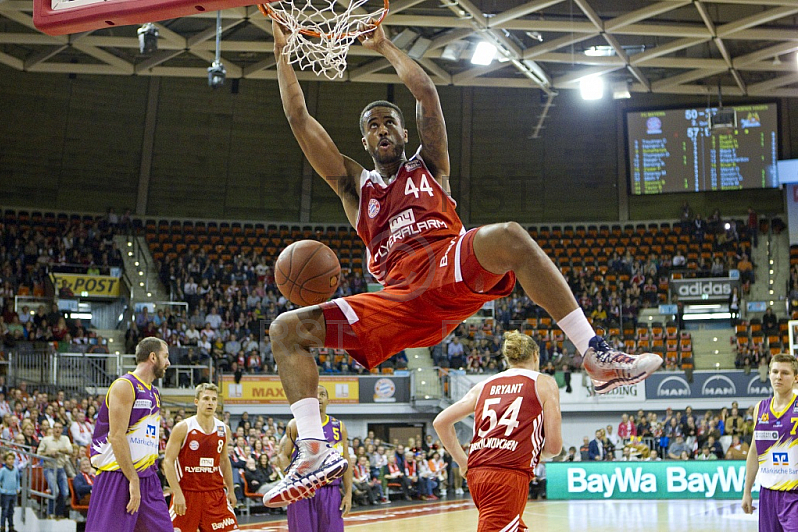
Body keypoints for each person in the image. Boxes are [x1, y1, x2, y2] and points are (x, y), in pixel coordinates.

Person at [264, 17, 660, 506]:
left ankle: (594, 353)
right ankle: (312, 451)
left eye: (389, 122)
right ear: (364, 142)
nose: (382, 129)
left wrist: (385, 47)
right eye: (372, 126)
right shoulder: (354, 186)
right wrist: (283, 50)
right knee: (285, 329)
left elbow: (428, 94)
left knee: (510, 236)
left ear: (404, 133)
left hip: (449, 262)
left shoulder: (429, 166)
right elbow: (299, 120)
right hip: (400, 299)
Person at [433, 331, 561, 532]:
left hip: (478, 473)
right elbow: (554, 447)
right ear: (536, 355)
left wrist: (463, 462)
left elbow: (440, 422)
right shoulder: (543, 382)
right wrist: (533, 451)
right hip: (507, 475)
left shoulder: (484, 385)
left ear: (508, 358)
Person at [85, 337, 173, 532]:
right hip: (118, 475)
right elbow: (116, 436)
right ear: (152, 357)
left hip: (148, 477)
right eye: (165, 356)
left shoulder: (154, 393)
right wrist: (133, 479)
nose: (168, 362)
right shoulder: (125, 385)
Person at [162, 383, 239, 532]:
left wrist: (231, 489)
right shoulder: (183, 428)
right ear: (196, 401)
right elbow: (168, 461)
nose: (210, 402)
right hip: (187, 494)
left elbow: (224, 460)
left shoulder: (223, 429)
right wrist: (176, 492)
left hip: (214, 494)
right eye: (206, 398)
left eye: (214, 399)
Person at [277, 386, 352, 532]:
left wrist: (348, 494)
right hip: (303, 493)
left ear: (328, 400)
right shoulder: (296, 424)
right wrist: (295, 483)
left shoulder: (339, 427)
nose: (318, 397)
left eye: (322, 394)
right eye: (314, 394)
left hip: (331, 492)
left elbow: (346, 461)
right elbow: (281, 456)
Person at [742, 353, 798, 529]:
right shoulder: (760, 408)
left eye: (785, 373)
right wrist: (747, 492)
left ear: (796, 378)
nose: (778, 376)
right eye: (774, 371)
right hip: (767, 493)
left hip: (794, 493)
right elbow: (754, 451)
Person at [37, 421, 72, 519]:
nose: (57, 429)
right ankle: (50, 513)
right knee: (54, 491)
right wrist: (48, 453)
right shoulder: (46, 440)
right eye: (55, 427)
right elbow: (39, 454)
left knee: (65, 492)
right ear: (52, 429)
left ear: (62, 430)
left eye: (60, 428)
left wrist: (58, 451)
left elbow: (70, 450)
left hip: (61, 467)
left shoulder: (65, 439)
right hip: (49, 468)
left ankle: (59, 513)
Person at [0, 451, 20, 532]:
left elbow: (17, 480)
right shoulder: (3, 470)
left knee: (11, 511)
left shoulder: (15, 470)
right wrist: (1, 490)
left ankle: (11, 526)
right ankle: (2, 527)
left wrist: (18, 488)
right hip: (6, 494)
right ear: (5, 460)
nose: (11, 461)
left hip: (13, 493)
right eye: (9, 459)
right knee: (5, 510)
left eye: (12, 459)